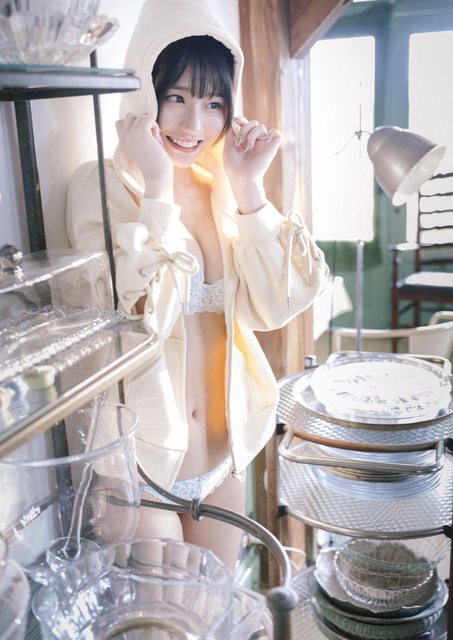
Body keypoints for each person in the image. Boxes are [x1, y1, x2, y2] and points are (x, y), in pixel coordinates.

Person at [66, 0, 328, 570]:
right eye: (176, 97)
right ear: (145, 92)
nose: (193, 125)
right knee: (164, 619)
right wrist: (157, 187)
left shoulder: (221, 189)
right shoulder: (100, 188)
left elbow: (277, 304)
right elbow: (131, 318)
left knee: (215, 613)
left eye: (213, 104)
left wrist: (249, 186)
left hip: (222, 462)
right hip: (140, 471)